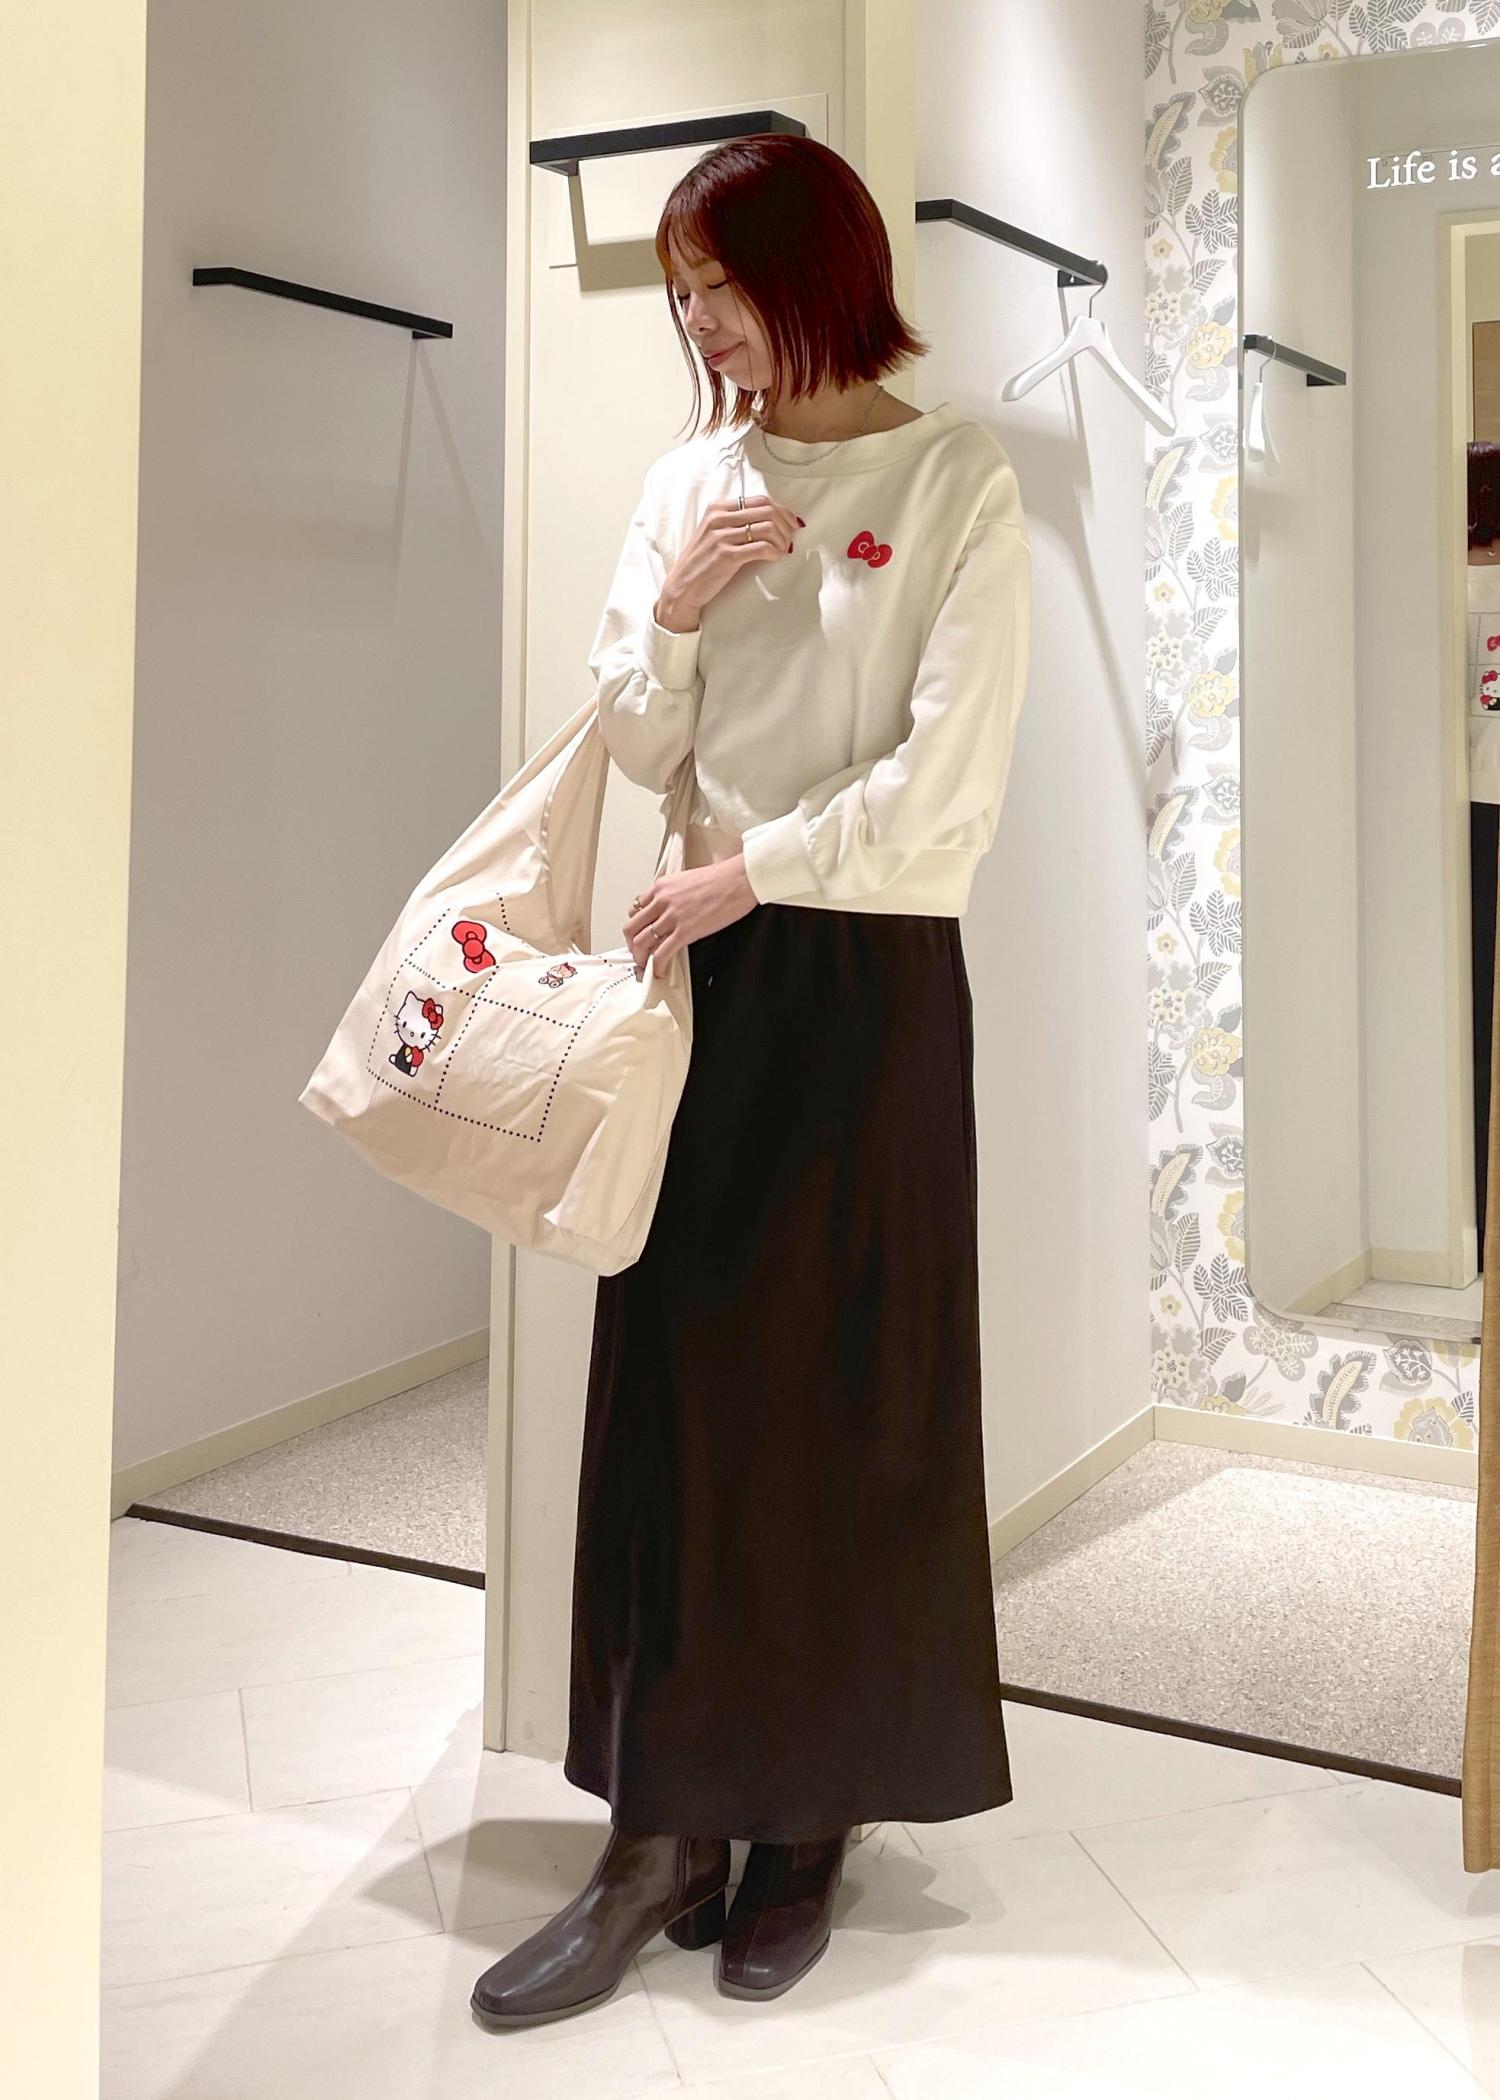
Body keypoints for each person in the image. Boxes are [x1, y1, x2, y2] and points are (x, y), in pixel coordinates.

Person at [471, 131, 1032, 2031]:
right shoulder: (688, 480)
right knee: (678, 1403)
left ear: (816, 273)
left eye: (718, 284)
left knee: (848, 1401)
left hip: (861, 979)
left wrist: (757, 869)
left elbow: (950, 788)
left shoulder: (955, 477)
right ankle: (658, 1838)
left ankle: (806, 1828)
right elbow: (640, 744)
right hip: (695, 977)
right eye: (683, 290)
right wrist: (682, 607)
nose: (697, 321)